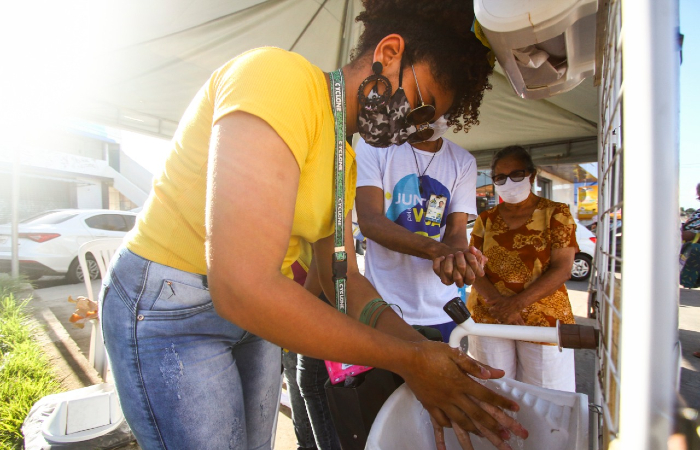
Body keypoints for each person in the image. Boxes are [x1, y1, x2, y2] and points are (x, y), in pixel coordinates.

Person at [99, 2, 528, 449]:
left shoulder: (344, 157)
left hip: (255, 320)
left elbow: (342, 278)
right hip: (171, 307)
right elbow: (243, 286)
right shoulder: (277, 78)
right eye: (421, 109)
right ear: (389, 52)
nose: (410, 129)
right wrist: (409, 360)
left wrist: (423, 352)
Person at [466, 145, 579, 392]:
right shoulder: (486, 219)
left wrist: (515, 305)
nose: (508, 182)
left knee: (547, 395)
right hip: (490, 316)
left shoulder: (556, 213)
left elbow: (563, 268)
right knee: (493, 390)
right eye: (500, 177)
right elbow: (473, 268)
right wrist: (499, 305)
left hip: (543, 319)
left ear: (532, 175)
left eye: (516, 174)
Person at [355, 121, 478, 343]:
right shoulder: (374, 146)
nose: (435, 114)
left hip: (445, 310)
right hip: (385, 307)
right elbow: (370, 221)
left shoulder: (463, 161)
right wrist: (438, 251)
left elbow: (457, 232)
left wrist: (462, 260)